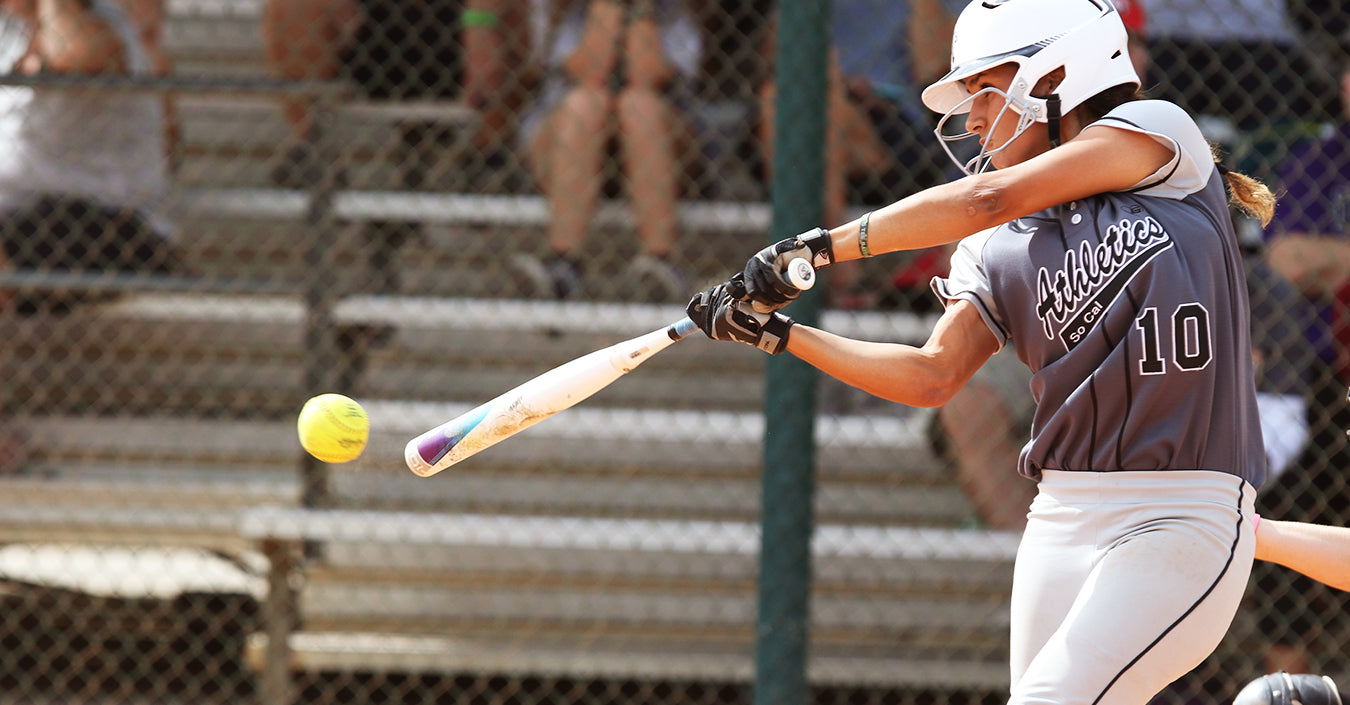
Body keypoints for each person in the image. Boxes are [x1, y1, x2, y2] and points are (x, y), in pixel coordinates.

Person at [685, 2, 1275, 704]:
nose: (969, 120)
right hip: (1061, 514)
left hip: (1180, 509)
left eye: (986, 91)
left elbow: (987, 195)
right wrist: (780, 334)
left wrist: (818, 247)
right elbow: (931, 375)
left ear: (1058, 74)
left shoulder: (1158, 134)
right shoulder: (997, 246)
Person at [756, 0, 961, 310]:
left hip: (896, 120)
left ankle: (828, 263)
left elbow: (934, 69)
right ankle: (831, 262)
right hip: (824, 100)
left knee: (825, 103)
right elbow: (774, 60)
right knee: (786, 98)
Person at [508, 0, 702, 302]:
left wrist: (641, 9)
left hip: (656, 148)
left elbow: (645, 71)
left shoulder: (673, 17)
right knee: (586, 104)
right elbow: (593, 71)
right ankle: (562, 262)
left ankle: (660, 264)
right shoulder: (570, 16)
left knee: (639, 105)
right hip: (573, 145)